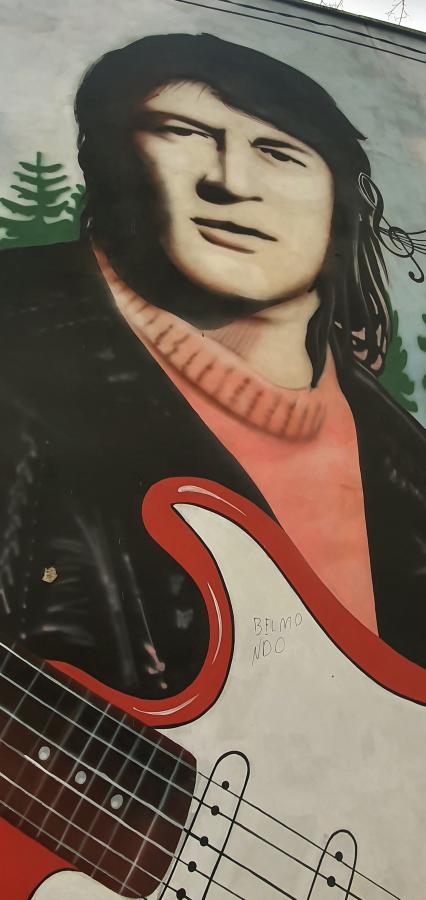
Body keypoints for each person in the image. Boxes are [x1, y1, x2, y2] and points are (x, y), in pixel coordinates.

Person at [0, 33, 425, 701]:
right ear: (110, 161)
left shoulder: (407, 464)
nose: (229, 180)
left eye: (278, 151)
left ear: (344, 203)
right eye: (183, 133)